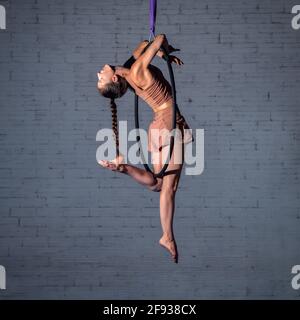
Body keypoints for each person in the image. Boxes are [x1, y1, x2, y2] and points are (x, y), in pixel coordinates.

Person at [97, 34, 193, 263]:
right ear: (114, 80)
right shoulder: (137, 72)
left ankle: (126, 168)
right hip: (168, 126)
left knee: (159, 184)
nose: (99, 74)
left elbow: (142, 45)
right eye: (101, 79)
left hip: (160, 125)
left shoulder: (130, 74)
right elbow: (158, 37)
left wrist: (162, 54)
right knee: (168, 187)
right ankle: (167, 236)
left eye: (99, 77)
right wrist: (163, 48)